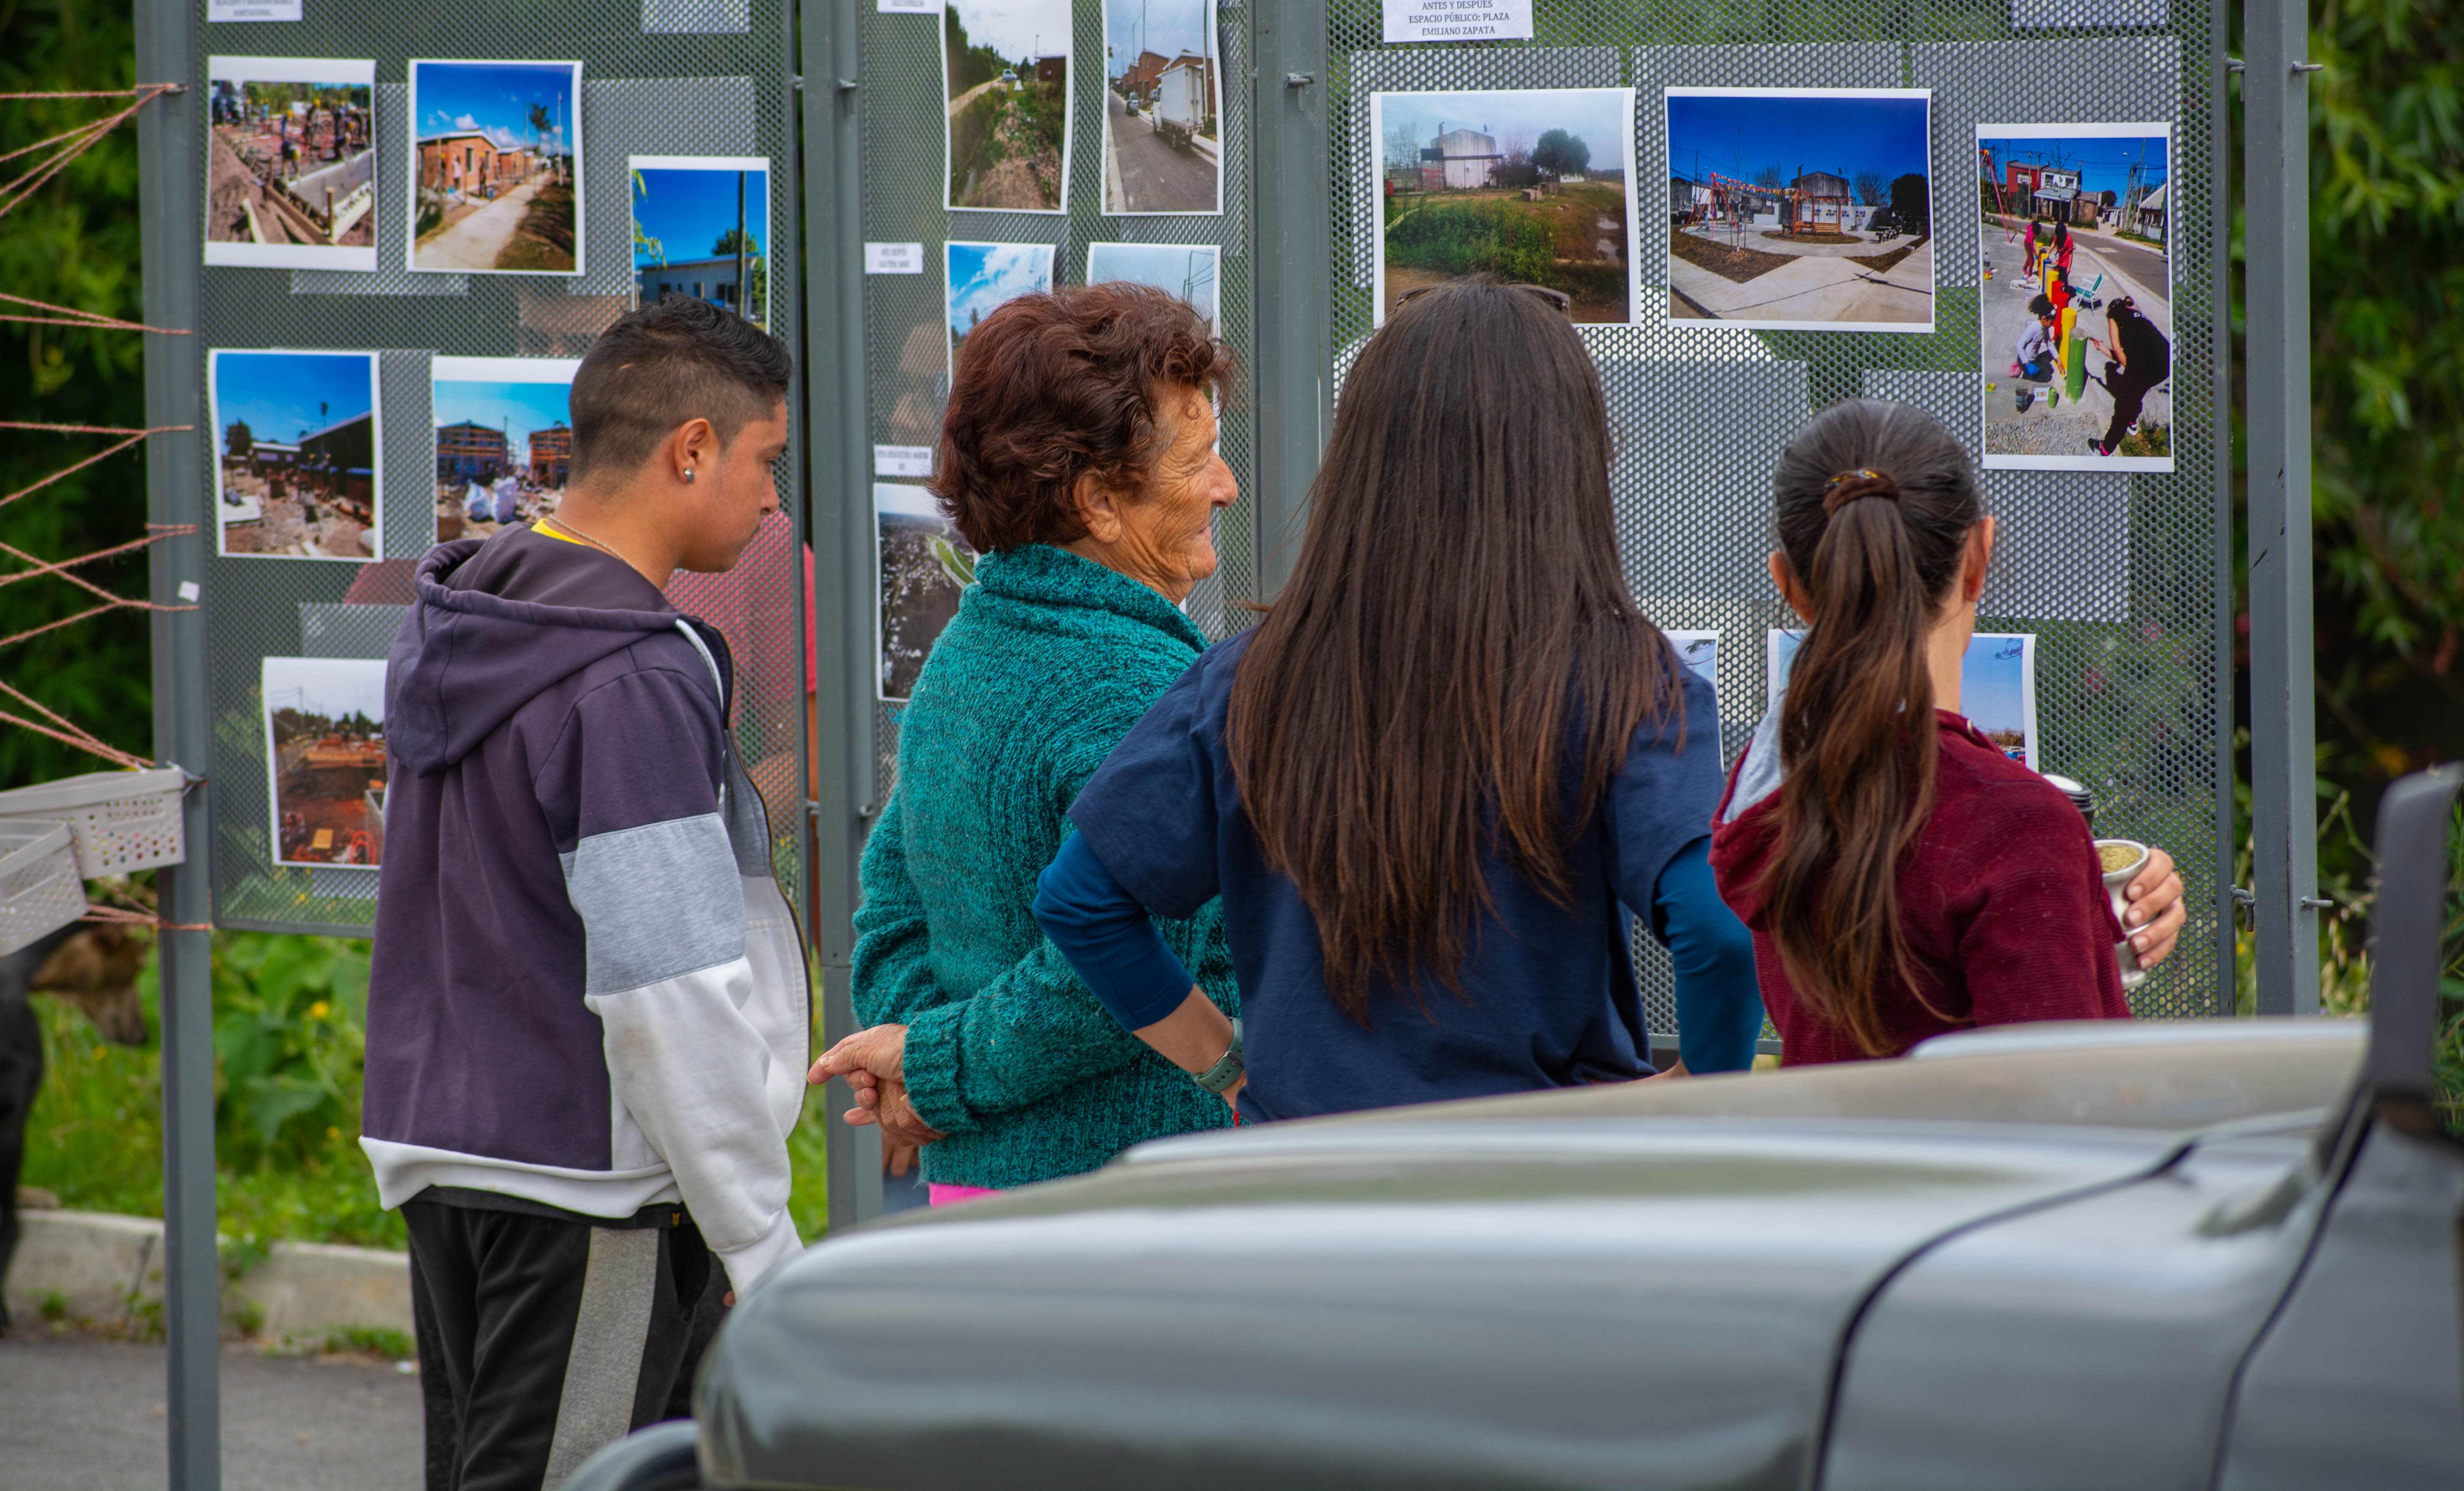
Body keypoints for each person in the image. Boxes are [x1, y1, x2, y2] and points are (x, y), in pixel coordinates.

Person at [1024, 279, 1763, 1122]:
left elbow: (1082, 901)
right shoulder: (1626, 680)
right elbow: (1720, 928)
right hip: (1543, 1195)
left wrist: (1229, 1063)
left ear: (1363, 456)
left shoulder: (1247, 681)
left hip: (1313, 1192)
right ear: (1571, 459)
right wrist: (1696, 1088)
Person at [364, 296, 810, 1491]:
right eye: (768, 461)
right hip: (587, 1181)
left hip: (451, 1149)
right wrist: (761, 1239)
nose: (776, 503)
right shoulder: (629, 678)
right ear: (692, 451)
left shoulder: (463, 622)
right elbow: (668, 988)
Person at [805, 282, 1244, 1203]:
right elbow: (1122, 977)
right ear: (1099, 501)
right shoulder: (1135, 685)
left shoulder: (968, 646)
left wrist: (916, 1066)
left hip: (981, 1191)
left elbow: (891, 912)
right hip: (1129, 1210)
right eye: (1199, 459)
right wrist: (935, 1071)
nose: (1226, 486)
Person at [1708, 400, 2188, 1065]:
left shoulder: (1778, 792)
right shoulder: (2012, 826)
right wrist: (2054, 878)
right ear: (1979, 556)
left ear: (1789, 585)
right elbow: (2069, 1114)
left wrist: (2077, 904)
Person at [2091, 296, 2171, 457]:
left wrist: (2134, 372)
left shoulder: (2114, 316)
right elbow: (2126, 354)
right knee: (2137, 392)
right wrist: (2102, 348)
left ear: (2110, 310)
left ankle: (2106, 449)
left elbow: (2120, 354)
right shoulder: (2135, 314)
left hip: (2144, 364)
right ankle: (2132, 423)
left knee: (2122, 407)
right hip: (2166, 362)